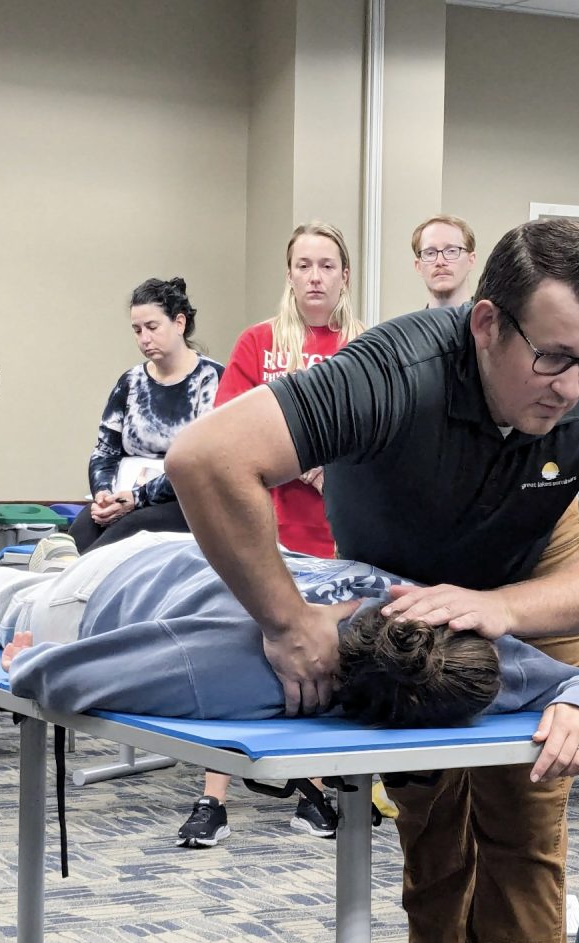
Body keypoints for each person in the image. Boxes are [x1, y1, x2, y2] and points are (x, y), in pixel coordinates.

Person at [166, 217, 579, 943]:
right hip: (402, 587)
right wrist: (287, 621)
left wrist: (502, 608)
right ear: (485, 324)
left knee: (523, 814)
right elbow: (205, 457)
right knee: (428, 801)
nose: (573, 385)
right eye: (552, 358)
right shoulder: (393, 369)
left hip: (536, 573)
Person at [0, 531, 579, 756]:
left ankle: (52, 562)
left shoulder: (444, 634)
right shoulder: (240, 672)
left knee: (42, 587)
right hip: (111, 593)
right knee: (0, 606)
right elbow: (56, 680)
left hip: (201, 552)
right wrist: (33, 657)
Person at [179, 222, 363, 844]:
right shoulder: (258, 343)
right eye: (304, 265)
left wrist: (332, 467)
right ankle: (212, 798)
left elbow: (383, 440)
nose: (315, 276)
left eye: (327, 266)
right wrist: (290, 460)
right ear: (289, 274)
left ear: (344, 276)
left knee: (316, 653)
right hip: (263, 530)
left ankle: (311, 790)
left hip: (332, 533)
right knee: (235, 650)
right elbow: (222, 436)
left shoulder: (365, 346)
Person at [68, 278, 223, 553]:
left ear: (179, 323)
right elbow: (104, 452)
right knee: (81, 529)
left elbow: (200, 463)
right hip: (125, 495)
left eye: (152, 327)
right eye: (137, 330)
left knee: (122, 536)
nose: (144, 339)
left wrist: (138, 498)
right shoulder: (130, 381)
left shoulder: (210, 380)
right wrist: (103, 495)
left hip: (184, 502)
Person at [412, 215, 477, 308]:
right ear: (418, 266)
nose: (440, 261)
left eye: (451, 251)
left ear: (471, 260)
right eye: (430, 253)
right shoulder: (406, 323)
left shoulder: (493, 322)